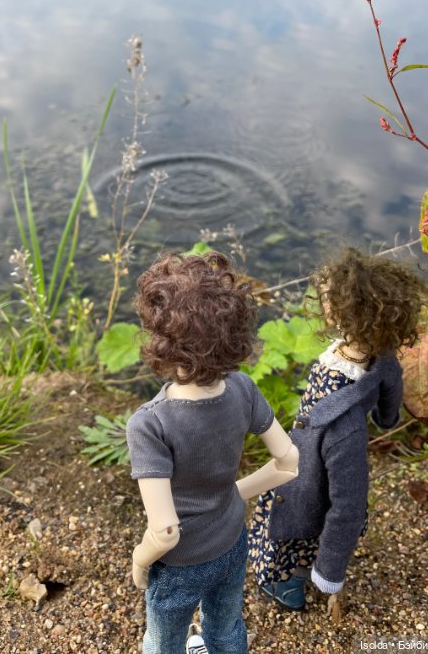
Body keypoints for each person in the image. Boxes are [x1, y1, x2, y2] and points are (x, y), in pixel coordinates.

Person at [126, 252, 300, 654]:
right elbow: (289, 462)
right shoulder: (242, 388)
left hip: (181, 562)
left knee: (164, 642)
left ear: (161, 338)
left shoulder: (150, 424)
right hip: (232, 540)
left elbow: (166, 531)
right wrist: (234, 493)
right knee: (225, 627)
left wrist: (140, 559)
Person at [248, 248, 426, 617]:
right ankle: (295, 570)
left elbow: (349, 506)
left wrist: (330, 574)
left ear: (352, 311)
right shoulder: (379, 354)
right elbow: (391, 384)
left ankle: (287, 586)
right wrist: (388, 417)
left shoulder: (343, 427)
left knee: (298, 525)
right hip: (307, 447)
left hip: (308, 472)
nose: (323, 299)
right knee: (298, 519)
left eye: (331, 296)